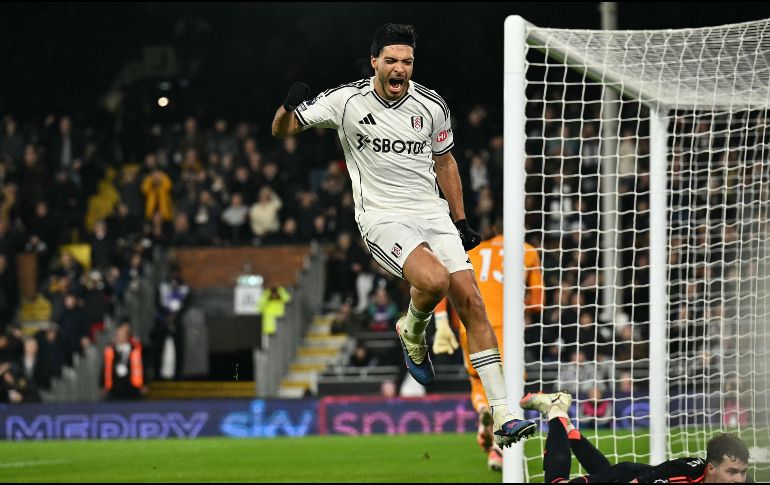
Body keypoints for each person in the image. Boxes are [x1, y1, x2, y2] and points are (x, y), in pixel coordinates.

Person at [271, 23, 536, 447]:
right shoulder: (346, 101)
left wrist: (461, 220)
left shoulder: (431, 105)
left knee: (472, 302)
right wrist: (287, 107)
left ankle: (503, 411)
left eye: (407, 62)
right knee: (434, 280)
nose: (400, 69)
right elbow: (282, 132)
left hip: (432, 213)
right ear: (375, 62)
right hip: (382, 217)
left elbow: (445, 162)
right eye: (391, 61)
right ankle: (412, 330)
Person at [432, 226, 544, 470]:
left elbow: (440, 282)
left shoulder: (470, 250)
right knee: (509, 390)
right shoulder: (528, 251)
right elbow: (537, 304)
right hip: (506, 329)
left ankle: (483, 410)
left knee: (477, 381)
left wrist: (442, 322)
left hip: (469, 326)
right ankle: (498, 449)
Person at [520, 391, 750, 483]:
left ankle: (569, 429)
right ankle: (555, 411)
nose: (739, 479)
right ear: (711, 468)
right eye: (732, 472)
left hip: (632, 472)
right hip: (625, 479)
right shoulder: (680, 476)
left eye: (742, 472)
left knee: (603, 471)